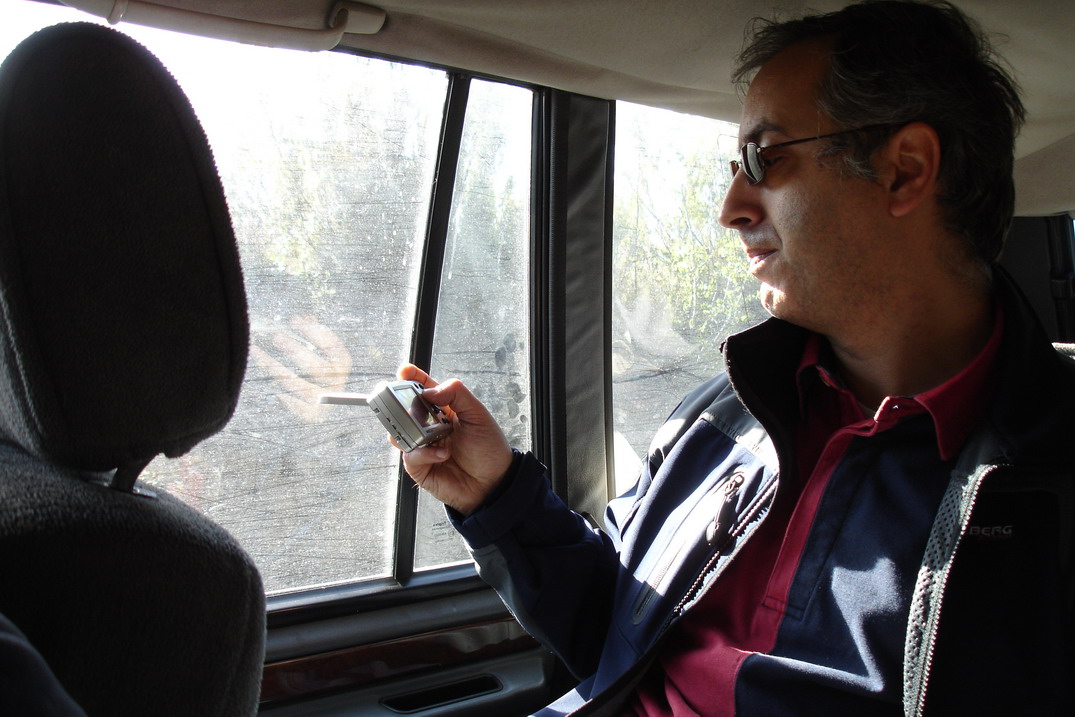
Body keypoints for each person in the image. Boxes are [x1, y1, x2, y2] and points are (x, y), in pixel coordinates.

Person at [396, 1, 1075, 714]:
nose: (730, 208)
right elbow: (614, 633)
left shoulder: (1049, 475)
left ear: (903, 170)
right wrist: (496, 494)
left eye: (763, 159)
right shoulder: (726, 411)